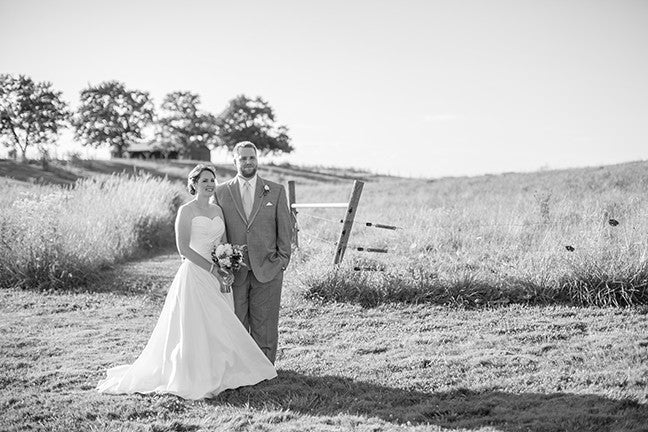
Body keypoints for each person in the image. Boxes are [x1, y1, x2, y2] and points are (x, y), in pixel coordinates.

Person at [97, 164, 276, 400]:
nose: (210, 184)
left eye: (212, 180)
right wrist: (213, 269)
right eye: (204, 181)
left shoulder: (217, 211)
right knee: (197, 325)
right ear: (194, 184)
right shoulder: (186, 211)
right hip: (195, 275)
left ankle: (221, 369)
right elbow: (183, 249)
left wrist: (226, 267)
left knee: (220, 323)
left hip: (217, 276)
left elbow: (221, 245)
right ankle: (194, 373)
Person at [213, 141, 292, 364]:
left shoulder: (275, 191)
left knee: (265, 322)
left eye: (252, 158)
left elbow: (285, 229)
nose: (248, 162)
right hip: (235, 271)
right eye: (244, 158)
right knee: (236, 321)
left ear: (257, 160)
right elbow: (217, 231)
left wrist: (282, 260)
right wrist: (222, 264)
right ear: (235, 161)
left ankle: (265, 368)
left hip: (268, 267)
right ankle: (238, 366)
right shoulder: (221, 193)